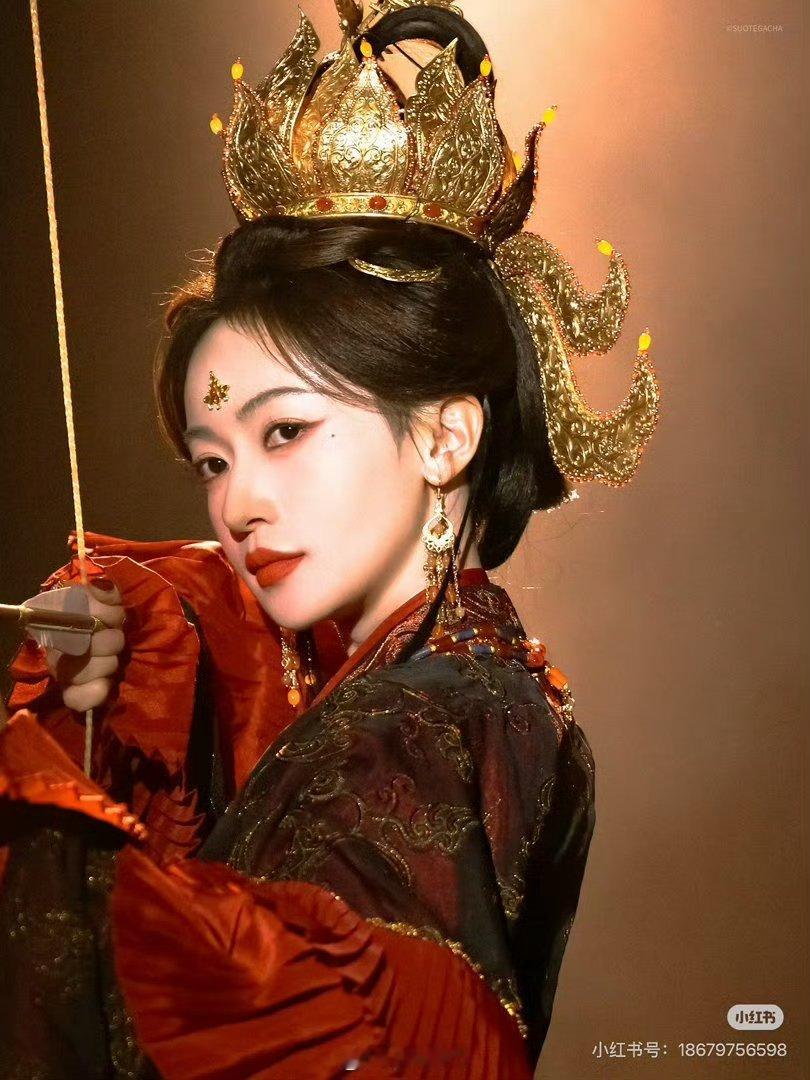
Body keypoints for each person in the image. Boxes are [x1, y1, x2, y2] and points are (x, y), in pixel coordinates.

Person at [0, 2, 660, 1077]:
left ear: (445, 435)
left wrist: (64, 790)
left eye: (286, 433)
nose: (237, 506)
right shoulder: (470, 684)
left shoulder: (417, 718)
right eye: (213, 461)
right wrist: (132, 671)